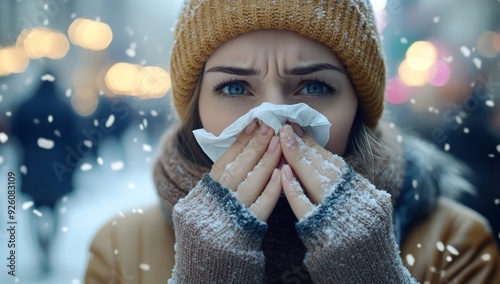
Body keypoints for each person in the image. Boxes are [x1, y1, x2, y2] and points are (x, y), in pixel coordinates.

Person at [85, 0, 500, 283]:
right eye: (233, 88)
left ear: (359, 103)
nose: (276, 118)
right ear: (195, 106)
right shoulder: (123, 249)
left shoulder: (455, 242)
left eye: (315, 86)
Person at [11, 78, 82, 275]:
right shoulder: (62, 105)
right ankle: (49, 247)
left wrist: (28, 150)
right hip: (57, 165)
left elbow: (15, 133)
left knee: (33, 211)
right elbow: (75, 137)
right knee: (56, 209)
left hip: (32, 164)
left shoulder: (26, 105)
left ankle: (41, 250)